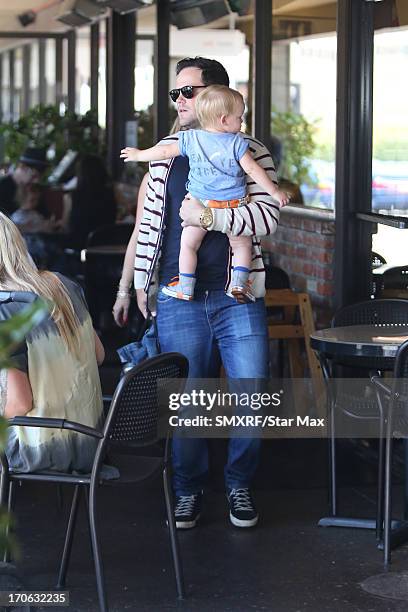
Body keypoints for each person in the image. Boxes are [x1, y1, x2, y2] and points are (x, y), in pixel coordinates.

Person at [113, 57, 280, 530]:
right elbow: (144, 229)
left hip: (237, 294)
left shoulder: (248, 149)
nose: (181, 101)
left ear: (217, 97)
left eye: (190, 92)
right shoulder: (167, 158)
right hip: (175, 296)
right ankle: (187, 490)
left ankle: (238, 485)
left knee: (252, 393)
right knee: (189, 401)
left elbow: (267, 218)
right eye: (177, 93)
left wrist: (210, 220)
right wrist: (128, 286)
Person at [121, 85, 289, 303]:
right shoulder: (237, 142)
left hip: (200, 201)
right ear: (223, 120)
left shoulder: (191, 139)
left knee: (188, 244)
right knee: (242, 245)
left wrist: (138, 154)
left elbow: (162, 152)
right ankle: (239, 283)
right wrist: (274, 191)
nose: (242, 122)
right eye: (239, 117)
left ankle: (185, 285)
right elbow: (251, 170)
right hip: (233, 203)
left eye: (189, 91)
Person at [0, 212, 107, 475]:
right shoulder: (64, 285)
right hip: (92, 440)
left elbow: (19, 405)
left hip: (39, 450)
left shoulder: (5, 312)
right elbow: (99, 355)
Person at [63, 154, 117, 251]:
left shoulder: (70, 197)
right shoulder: (111, 195)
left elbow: (66, 227)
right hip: (105, 248)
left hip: (77, 249)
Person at [0, 147, 48, 217]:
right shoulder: (2, 187)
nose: (36, 181)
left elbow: (44, 214)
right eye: (33, 176)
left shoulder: (34, 188)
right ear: (22, 167)